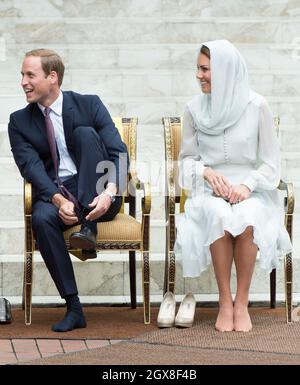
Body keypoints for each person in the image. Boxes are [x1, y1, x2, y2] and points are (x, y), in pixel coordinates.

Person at [175, 40, 292, 332]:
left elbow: (270, 164)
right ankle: (224, 302)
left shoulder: (257, 106)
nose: (199, 75)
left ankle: (242, 302)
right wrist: (204, 172)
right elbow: (186, 162)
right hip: (209, 191)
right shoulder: (193, 109)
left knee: (247, 217)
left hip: (252, 189)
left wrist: (248, 185)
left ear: (226, 71)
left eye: (205, 69)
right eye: (198, 69)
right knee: (219, 215)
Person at [8, 49, 128, 332]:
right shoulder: (19, 121)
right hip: (57, 192)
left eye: (29, 75)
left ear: (52, 77)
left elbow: (118, 153)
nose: (23, 82)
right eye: (22, 75)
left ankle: (88, 228)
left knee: (85, 134)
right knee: (41, 218)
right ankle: (73, 306)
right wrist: (58, 199)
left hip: (100, 190)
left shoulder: (89, 104)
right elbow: (32, 169)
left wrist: (109, 191)